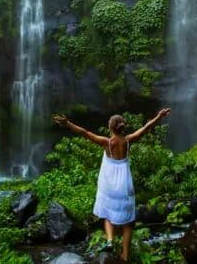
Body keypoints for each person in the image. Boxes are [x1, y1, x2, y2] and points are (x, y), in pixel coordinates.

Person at [53, 108, 171, 262]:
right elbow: (146, 128)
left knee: (107, 213)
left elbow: (85, 133)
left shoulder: (106, 143)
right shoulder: (128, 141)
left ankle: (109, 241)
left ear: (110, 127)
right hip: (125, 184)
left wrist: (67, 123)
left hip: (109, 184)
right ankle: (125, 256)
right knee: (128, 223)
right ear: (122, 127)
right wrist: (159, 116)